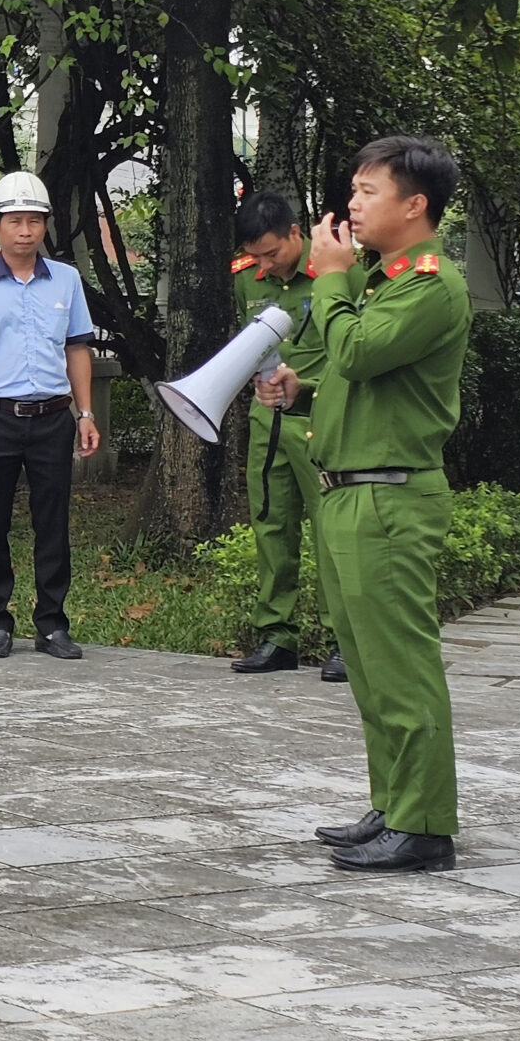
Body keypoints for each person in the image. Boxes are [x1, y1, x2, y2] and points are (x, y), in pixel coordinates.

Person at [299, 136, 472, 874]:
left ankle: (425, 825)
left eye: (368, 191)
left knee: (400, 665)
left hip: (389, 498)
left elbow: (359, 352)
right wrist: (300, 390)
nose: (352, 204)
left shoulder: (430, 284)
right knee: (369, 668)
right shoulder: (382, 281)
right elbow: (359, 377)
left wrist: (330, 279)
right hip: (350, 493)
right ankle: (395, 803)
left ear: (415, 205)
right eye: (354, 190)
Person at [0, 171, 101, 659]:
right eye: (15, 221)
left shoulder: (67, 280)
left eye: (34, 220)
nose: (25, 231)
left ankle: (52, 625)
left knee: (53, 523)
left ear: (45, 225)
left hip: (52, 417)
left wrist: (85, 413)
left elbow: (77, 348)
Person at [226, 191, 342, 681]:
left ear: (296, 232)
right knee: (271, 525)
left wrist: (306, 387)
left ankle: (343, 640)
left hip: (322, 421)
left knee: (332, 532)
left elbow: (351, 355)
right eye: (256, 257)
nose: (266, 265)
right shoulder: (245, 279)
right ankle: (276, 636)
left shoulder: (337, 273)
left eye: (272, 253)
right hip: (267, 421)